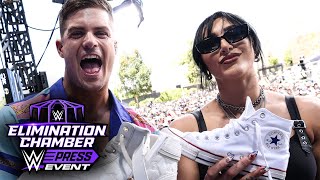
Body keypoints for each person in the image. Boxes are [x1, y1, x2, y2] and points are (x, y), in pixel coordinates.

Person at [0, 0, 154, 179]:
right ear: (61, 48)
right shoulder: (15, 121)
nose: (90, 41)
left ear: (115, 46)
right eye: (77, 34)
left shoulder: (141, 130)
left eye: (101, 33)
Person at [170, 11, 320, 179]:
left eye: (235, 33)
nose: (225, 46)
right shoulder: (183, 132)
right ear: (204, 67)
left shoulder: (311, 112)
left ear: (254, 46)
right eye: (210, 44)